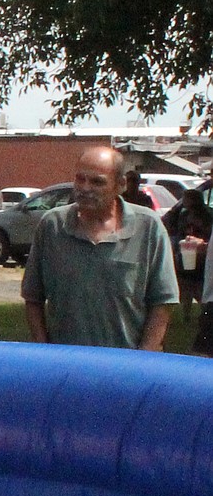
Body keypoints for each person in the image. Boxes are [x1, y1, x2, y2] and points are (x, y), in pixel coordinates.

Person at [22, 146, 178, 350]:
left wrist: (143, 360)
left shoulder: (147, 227)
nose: (85, 188)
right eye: (80, 179)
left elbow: (163, 302)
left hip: (127, 364)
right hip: (66, 365)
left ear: (120, 184)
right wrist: (45, 351)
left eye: (97, 181)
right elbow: (32, 297)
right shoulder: (52, 226)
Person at [160, 188, 212, 323]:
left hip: (201, 255)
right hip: (186, 253)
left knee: (198, 285)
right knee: (185, 284)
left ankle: (204, 311)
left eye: (186, 198)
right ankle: (187, 313)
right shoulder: (183, 214)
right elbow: (170, 224)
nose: (184, 201)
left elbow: (207, 232)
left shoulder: (206, 215)